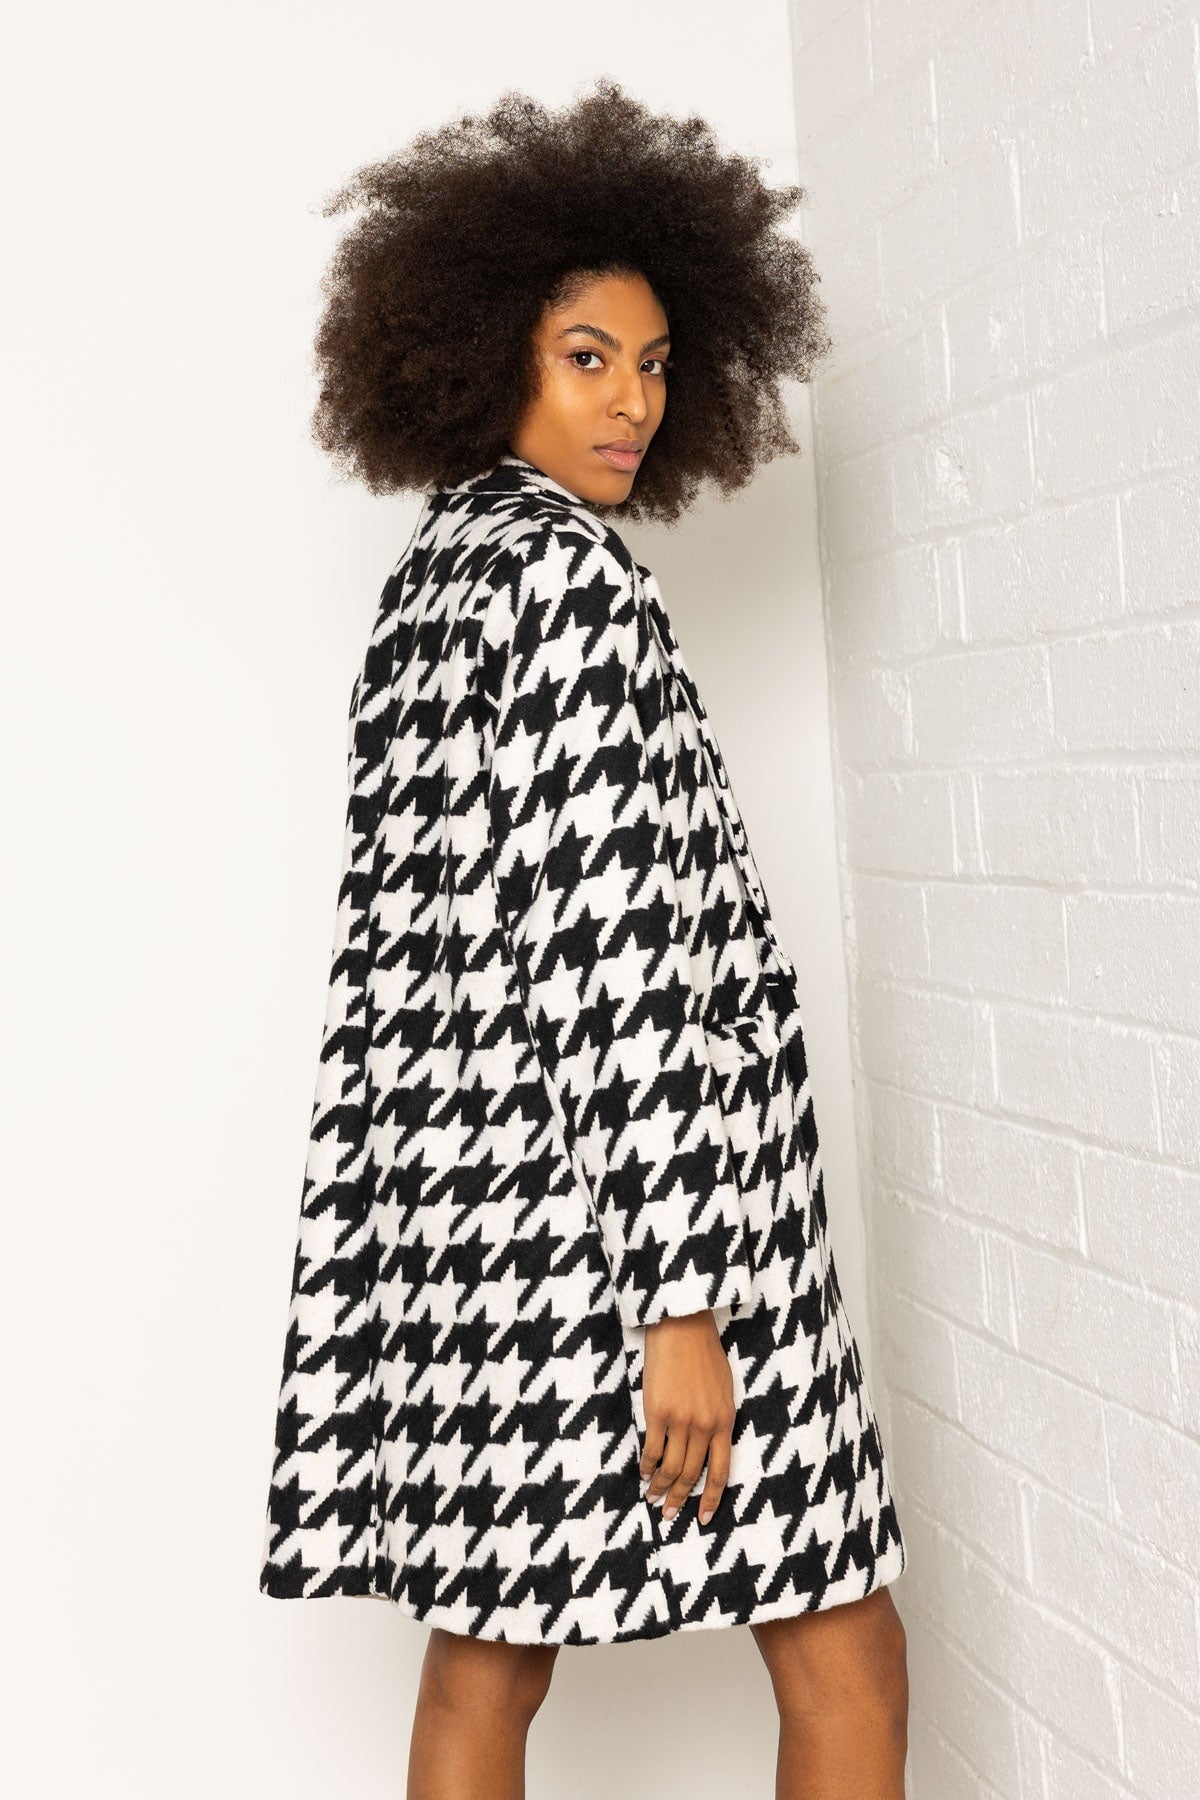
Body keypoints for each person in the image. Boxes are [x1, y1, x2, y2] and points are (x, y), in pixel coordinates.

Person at [259, 77, 909, 1799]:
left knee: (485, 1660)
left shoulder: (439, 579)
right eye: (587, 358)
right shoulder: (567, 584)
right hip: (640, 1237)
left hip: (481, 1237)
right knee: (843, 1643)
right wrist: (681, 1298)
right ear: (491, 357)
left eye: (657, 363)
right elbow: (611, 957)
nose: (634, 402)